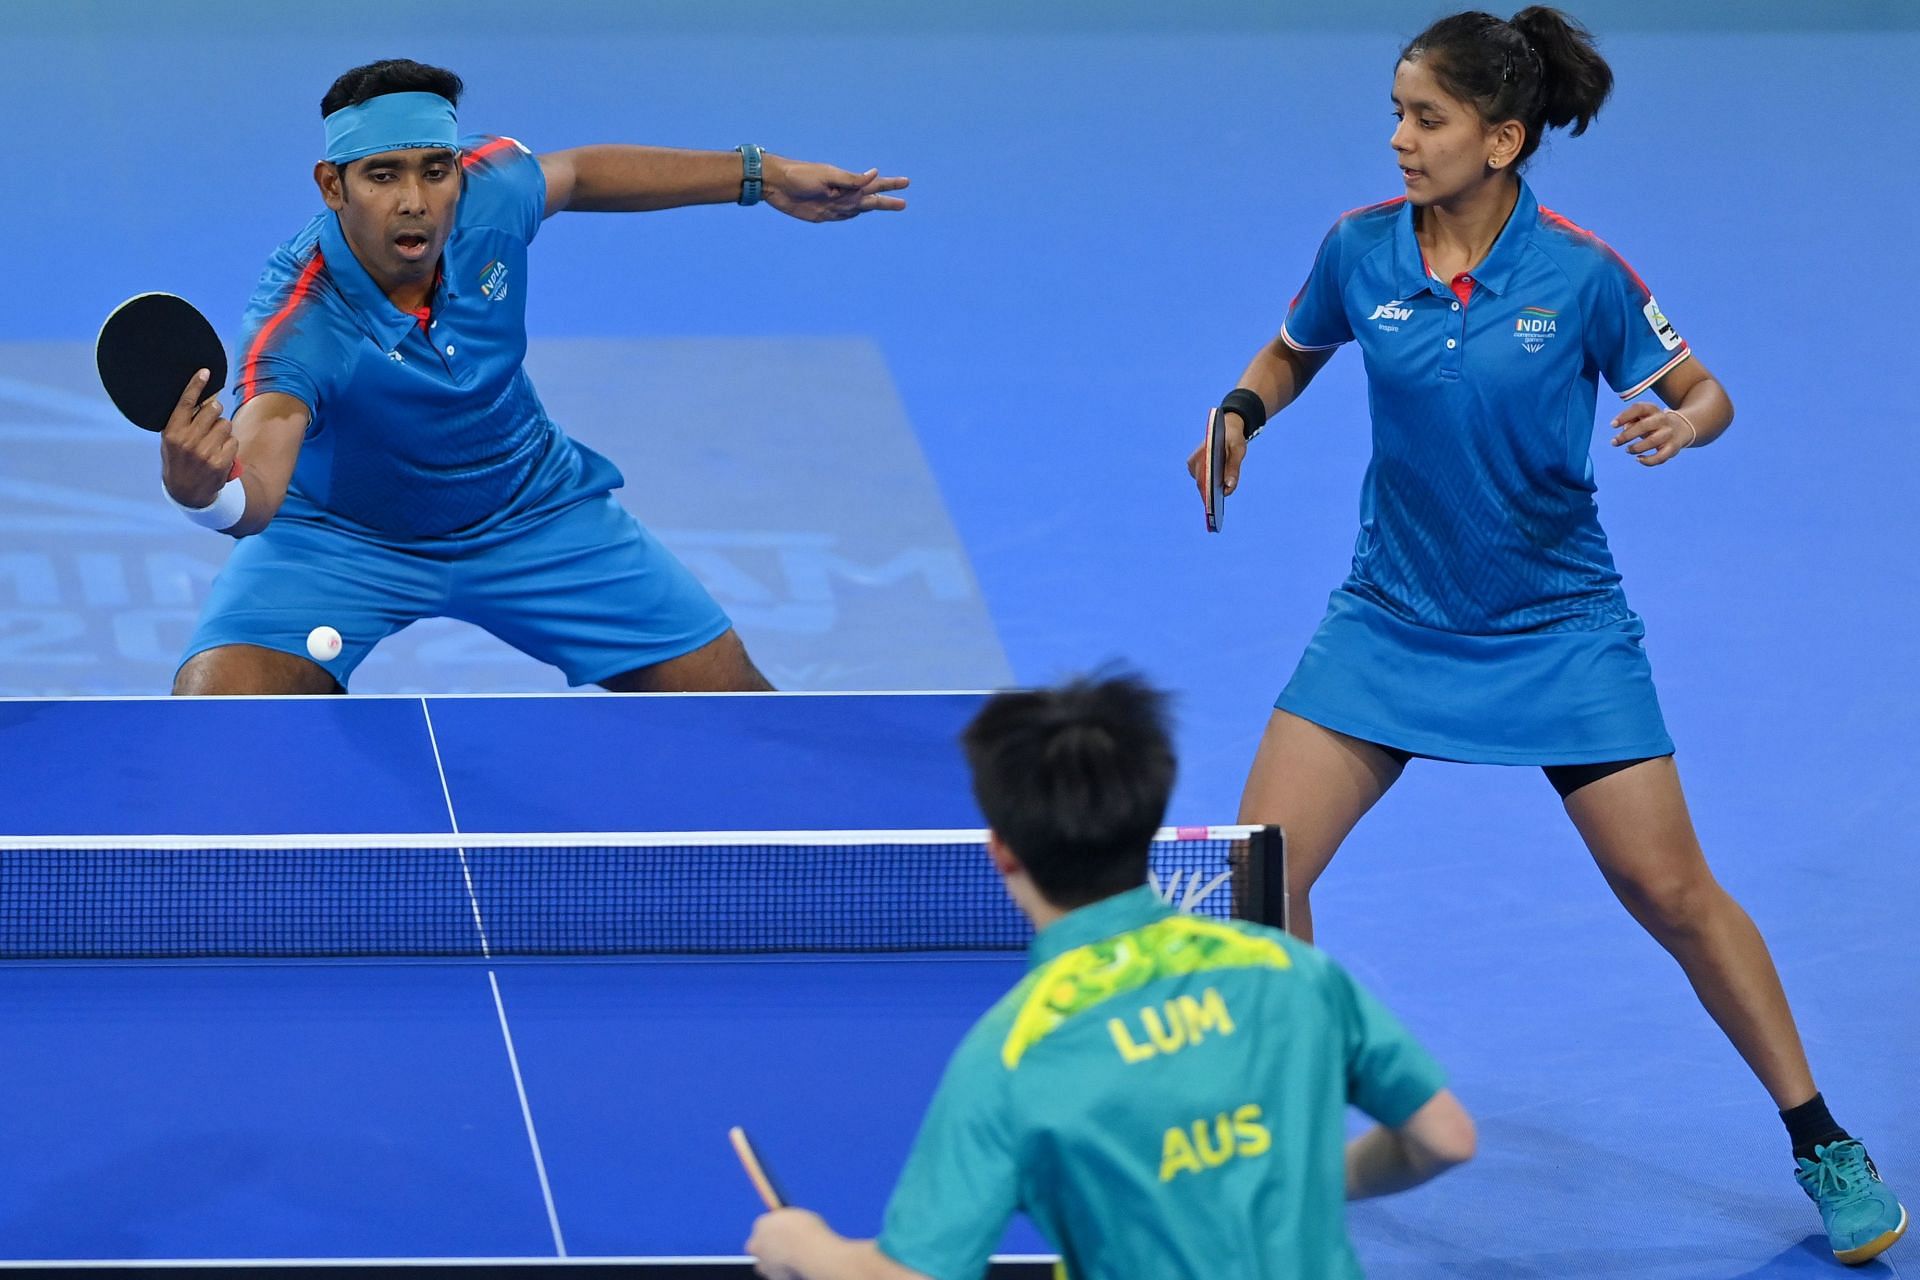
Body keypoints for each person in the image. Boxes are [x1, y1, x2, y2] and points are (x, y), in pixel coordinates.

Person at [1185, 7, 1903, 1264]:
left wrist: (1687, 427)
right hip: (1390, 618)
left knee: (1671, 892)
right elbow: (1295, 348)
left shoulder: (1580, 273)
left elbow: (1702, 386)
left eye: (1429, 118)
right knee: (1261, 876)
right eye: (1398, 112)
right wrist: (1245, 405)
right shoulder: (1359, 252)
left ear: (1502, 138)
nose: (1401, 139)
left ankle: (1822, 1138)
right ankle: (1295, 1131)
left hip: (1556, 628)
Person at [159, 58, 907, 695]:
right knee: (220, 710)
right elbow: (257, 484)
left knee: (740, 710)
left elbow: (578, 174)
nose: (415, 199)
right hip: (345, 540)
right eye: (382, 176)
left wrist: (761, 174)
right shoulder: (300, 325)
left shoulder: (490, 192)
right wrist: (207, 496)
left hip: (530, 510)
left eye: (434, 169)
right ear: (332, 185)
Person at [745, 674, 1476, 1279]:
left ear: (1001, 851)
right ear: (1149, 823)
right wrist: (1313, 1176)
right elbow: (1444, 1137)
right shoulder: (1291, 971)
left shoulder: (1013, 1054)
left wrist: (809, 1248)